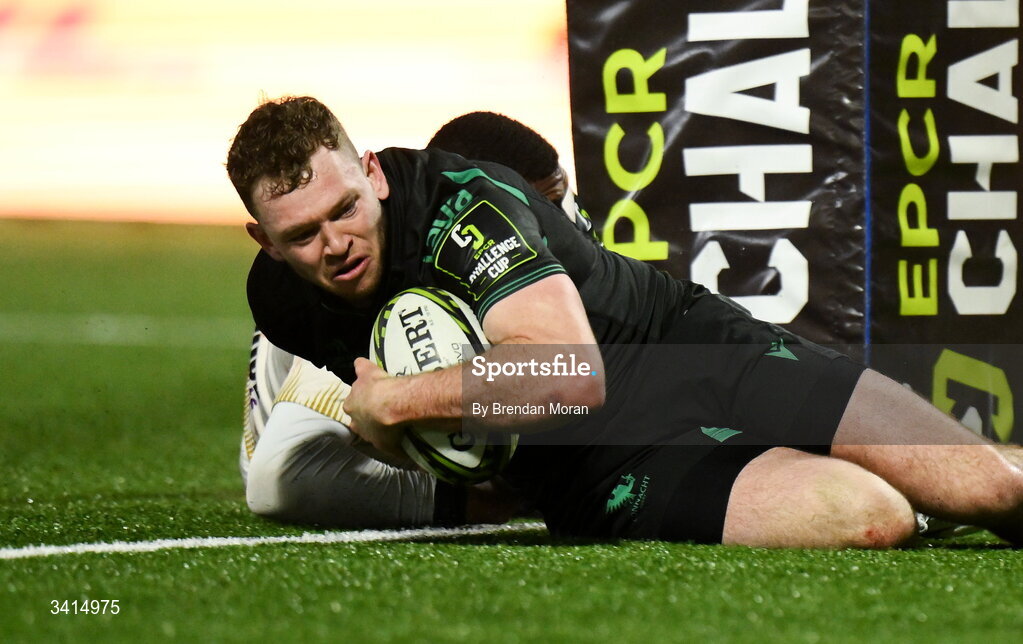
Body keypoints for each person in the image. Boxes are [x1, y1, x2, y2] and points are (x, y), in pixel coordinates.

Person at [227, 96, 1023, 547]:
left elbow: (569, 373)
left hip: (688, 346)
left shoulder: (466, 208)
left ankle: (945, 481)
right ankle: (910, 491)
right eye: (302, 235)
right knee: (869, 518)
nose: (334, 245)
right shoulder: (284, 302)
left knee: (992, 484)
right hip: (593, 464)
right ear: (264, 242)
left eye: (344, 210)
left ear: (372, 174)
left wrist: (396, 404)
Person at [239, 111, 578, 528]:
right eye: (301, 234)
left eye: (560, 200)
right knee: (285, 479)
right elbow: (276, 478)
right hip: (324, 381)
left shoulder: (542, 215)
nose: (561, 222)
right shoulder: (348, 290)